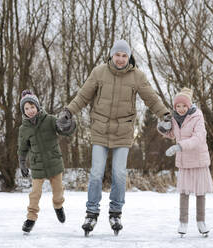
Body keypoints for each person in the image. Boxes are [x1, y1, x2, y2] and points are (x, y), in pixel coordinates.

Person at [57, 40, 170, 235]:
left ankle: (115, 212)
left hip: (123, 131)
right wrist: (68, 111)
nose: (120, 59)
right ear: (111, 55)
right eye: (117, 55)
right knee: (96, 173)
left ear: (129, 57)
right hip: (100, 129)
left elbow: (151, 98)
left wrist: (165, 115)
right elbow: (83, 96)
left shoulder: (137, 76)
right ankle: (91, 213)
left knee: (119, 173)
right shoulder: (99, 72)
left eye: (124, 55)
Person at [157, 87, 213, 237]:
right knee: (184, 192)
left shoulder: (197, 117)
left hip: (198, 160)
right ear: (175, 107)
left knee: (200, 192)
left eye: (184, 106)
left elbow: (199, 137)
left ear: (189, 106)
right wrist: (163, 127)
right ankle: (183, 222)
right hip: (184, 161)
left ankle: (201, 222)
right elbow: (171, 134)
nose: (181, 109)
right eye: (178, 106)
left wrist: (179, 146)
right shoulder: (175, 119)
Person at [18, 89, 76, 233]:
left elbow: (63, 130)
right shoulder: (24, 129)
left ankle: (58, 206)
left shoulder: (49, 119)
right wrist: (22, 163)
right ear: (23, 111)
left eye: (32, 107)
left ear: (37, 106)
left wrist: (67, 123)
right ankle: (31, 218)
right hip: (37, 165)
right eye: (26, 108)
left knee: (58, 192)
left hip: (54, 163)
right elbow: (22, 148)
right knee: (35, 193)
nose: (30, 110)